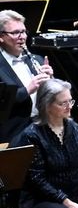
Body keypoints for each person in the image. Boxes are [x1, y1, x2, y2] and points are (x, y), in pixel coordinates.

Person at [13, 79, 78, 208]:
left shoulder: (76, 129)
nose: (69, 106)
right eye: (62, 103)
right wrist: (67, 203)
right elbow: (37, 180)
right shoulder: (32, 135)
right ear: (47, 105)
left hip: (75, 194)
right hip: (40, 200)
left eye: (70, 101)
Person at [0, 10, 53, 143]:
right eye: (15, 33)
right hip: (16, 132)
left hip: (47, 125)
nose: (22, 37)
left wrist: (52, 82)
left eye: (23, 31)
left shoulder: (38, 60)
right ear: (1, 36)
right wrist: (28, 89)